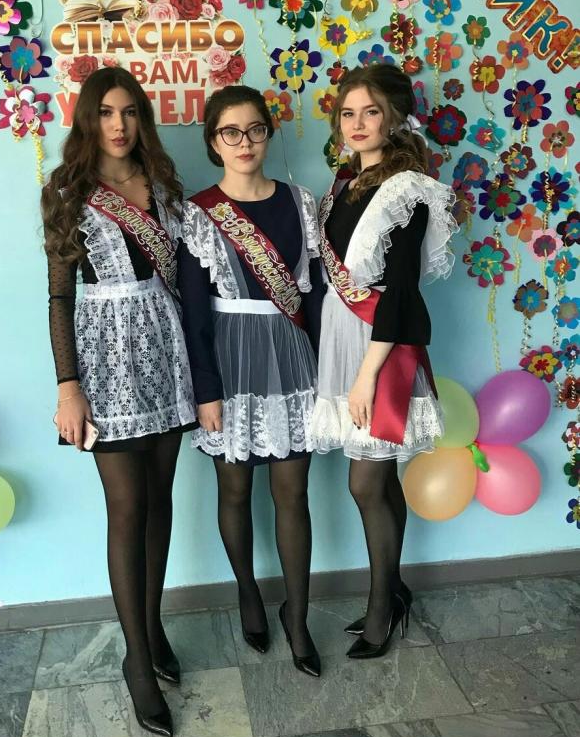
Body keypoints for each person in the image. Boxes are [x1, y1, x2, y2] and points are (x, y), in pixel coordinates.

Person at [42, 67, 197, 737]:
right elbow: (59, 296)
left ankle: (154, 630)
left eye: (130, 112)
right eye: (106, 112)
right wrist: (67, 385)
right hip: (104, 358)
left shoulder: (162, 184)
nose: (118, 125)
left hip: (165, 350)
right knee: (127, 507)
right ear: (88, 118)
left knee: (160, 501)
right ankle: (137, 659)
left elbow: (186, 277)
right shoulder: (68, 191)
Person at [177, 85, 325, 677]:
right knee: (234, 489)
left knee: (293, 492)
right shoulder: (198, 213)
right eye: (230, 132)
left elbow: (314, 298)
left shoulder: (301, 203)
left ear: (269, 133)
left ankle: (299, 614)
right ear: (214, 142)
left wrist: (327, 374)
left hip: (291, 358)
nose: (245, 142)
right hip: (229, 360)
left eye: (255, 129)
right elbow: (193, 310)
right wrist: (205, 391)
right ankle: (247, 590)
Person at [311, 64, 456, 658]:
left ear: (395, 118)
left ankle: (380, 610)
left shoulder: (409, 190)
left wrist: (366, 376)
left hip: (382, 345)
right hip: (341, 335)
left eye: (370, 111)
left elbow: (399, 292)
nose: (358, 123)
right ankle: (393, 592)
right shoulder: (344, 184)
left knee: (365, 481)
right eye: (348, 113)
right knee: (381, 476)